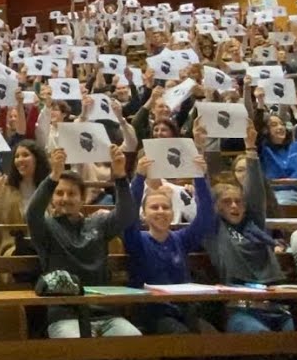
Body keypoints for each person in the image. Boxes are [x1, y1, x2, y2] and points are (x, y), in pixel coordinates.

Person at [205, 123, 297, 333]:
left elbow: (256, 195)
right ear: (216, 207)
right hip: (242, 311)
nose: (234, 205)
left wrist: (251, 149)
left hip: (277, 308)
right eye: (226, 202)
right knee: (261, 335)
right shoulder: (214, 230)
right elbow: (205, 196)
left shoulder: (255, 224)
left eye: (238, 201)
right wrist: (202, 149)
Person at [26, 141, 141, 339]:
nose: (65, 198)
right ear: (52, 198)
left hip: (106, 314)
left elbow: (127, 215)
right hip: (64, 316)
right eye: (59, 193)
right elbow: (32, 212)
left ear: (83, 198)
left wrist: (121, 176)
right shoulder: (46, 227)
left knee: (138, 348)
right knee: (83, 355)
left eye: (72, 194)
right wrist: (53, 175)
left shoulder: (99, 223)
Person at [122, 151, 216, 334]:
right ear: (144, 215)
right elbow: (128, 214)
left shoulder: (181, 238)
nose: (160, 211)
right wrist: (140, 177)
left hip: (185, 310)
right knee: (183, 338)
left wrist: (200, 177)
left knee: (213, 339)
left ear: (172, 214)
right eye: (154, 207)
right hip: (153, 313)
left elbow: (205, 217)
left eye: (165, 207)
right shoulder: (136, 240)